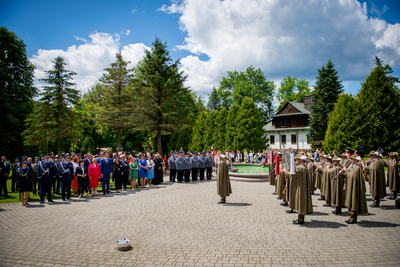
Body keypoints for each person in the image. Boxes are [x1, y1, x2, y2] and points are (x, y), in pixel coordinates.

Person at [342, 155, 368, 224]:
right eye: (350, 159)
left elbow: (352, 177)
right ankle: (350, 216)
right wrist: (342, 173)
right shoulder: (351, 167)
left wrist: (346, 171)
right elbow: (347, 176)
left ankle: (353, 218)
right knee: (349, 202)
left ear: (356, 160)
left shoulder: (357, 168)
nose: (350, 160)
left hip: (353, 187)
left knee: (353, 202)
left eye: (352, 159)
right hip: (349, 186)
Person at [291, 155, 313, 224]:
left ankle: (300, 219)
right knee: (301, 202)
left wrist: (286, 172)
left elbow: (294, 175)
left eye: (298, 159)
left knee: (301, 202)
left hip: (302, 187)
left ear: (301, 160)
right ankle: (300, 218)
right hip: (302, 186)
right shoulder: (303, 167)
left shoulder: (301, 168)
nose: (296, 160)